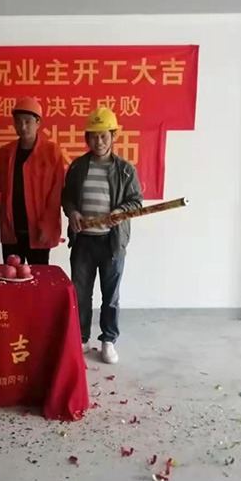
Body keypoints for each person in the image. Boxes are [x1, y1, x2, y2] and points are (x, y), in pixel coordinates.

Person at [62, 107, 142, 365]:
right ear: (87, 138)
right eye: (94, 136)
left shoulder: (125, 170)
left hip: (111, 241)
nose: (99, 142)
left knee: (111, 295)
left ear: (114, 136)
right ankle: (82, 338)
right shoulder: (78, 166)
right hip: (83, 241)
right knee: (81, 293)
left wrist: (120, 212)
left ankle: (108, 340)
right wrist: (72, 212)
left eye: (104, 136)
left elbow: (136, 201)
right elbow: (67, 197)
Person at [0, 97, 65, 265]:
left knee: (39, 276)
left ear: (38, 123)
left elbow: (56, 192)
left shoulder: (52, 152)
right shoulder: (6, 152)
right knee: (10, 274)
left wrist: (48, 225)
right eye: (18, 121)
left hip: (38, 229)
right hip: (12, 229)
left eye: (28, 121)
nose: (22, 126)